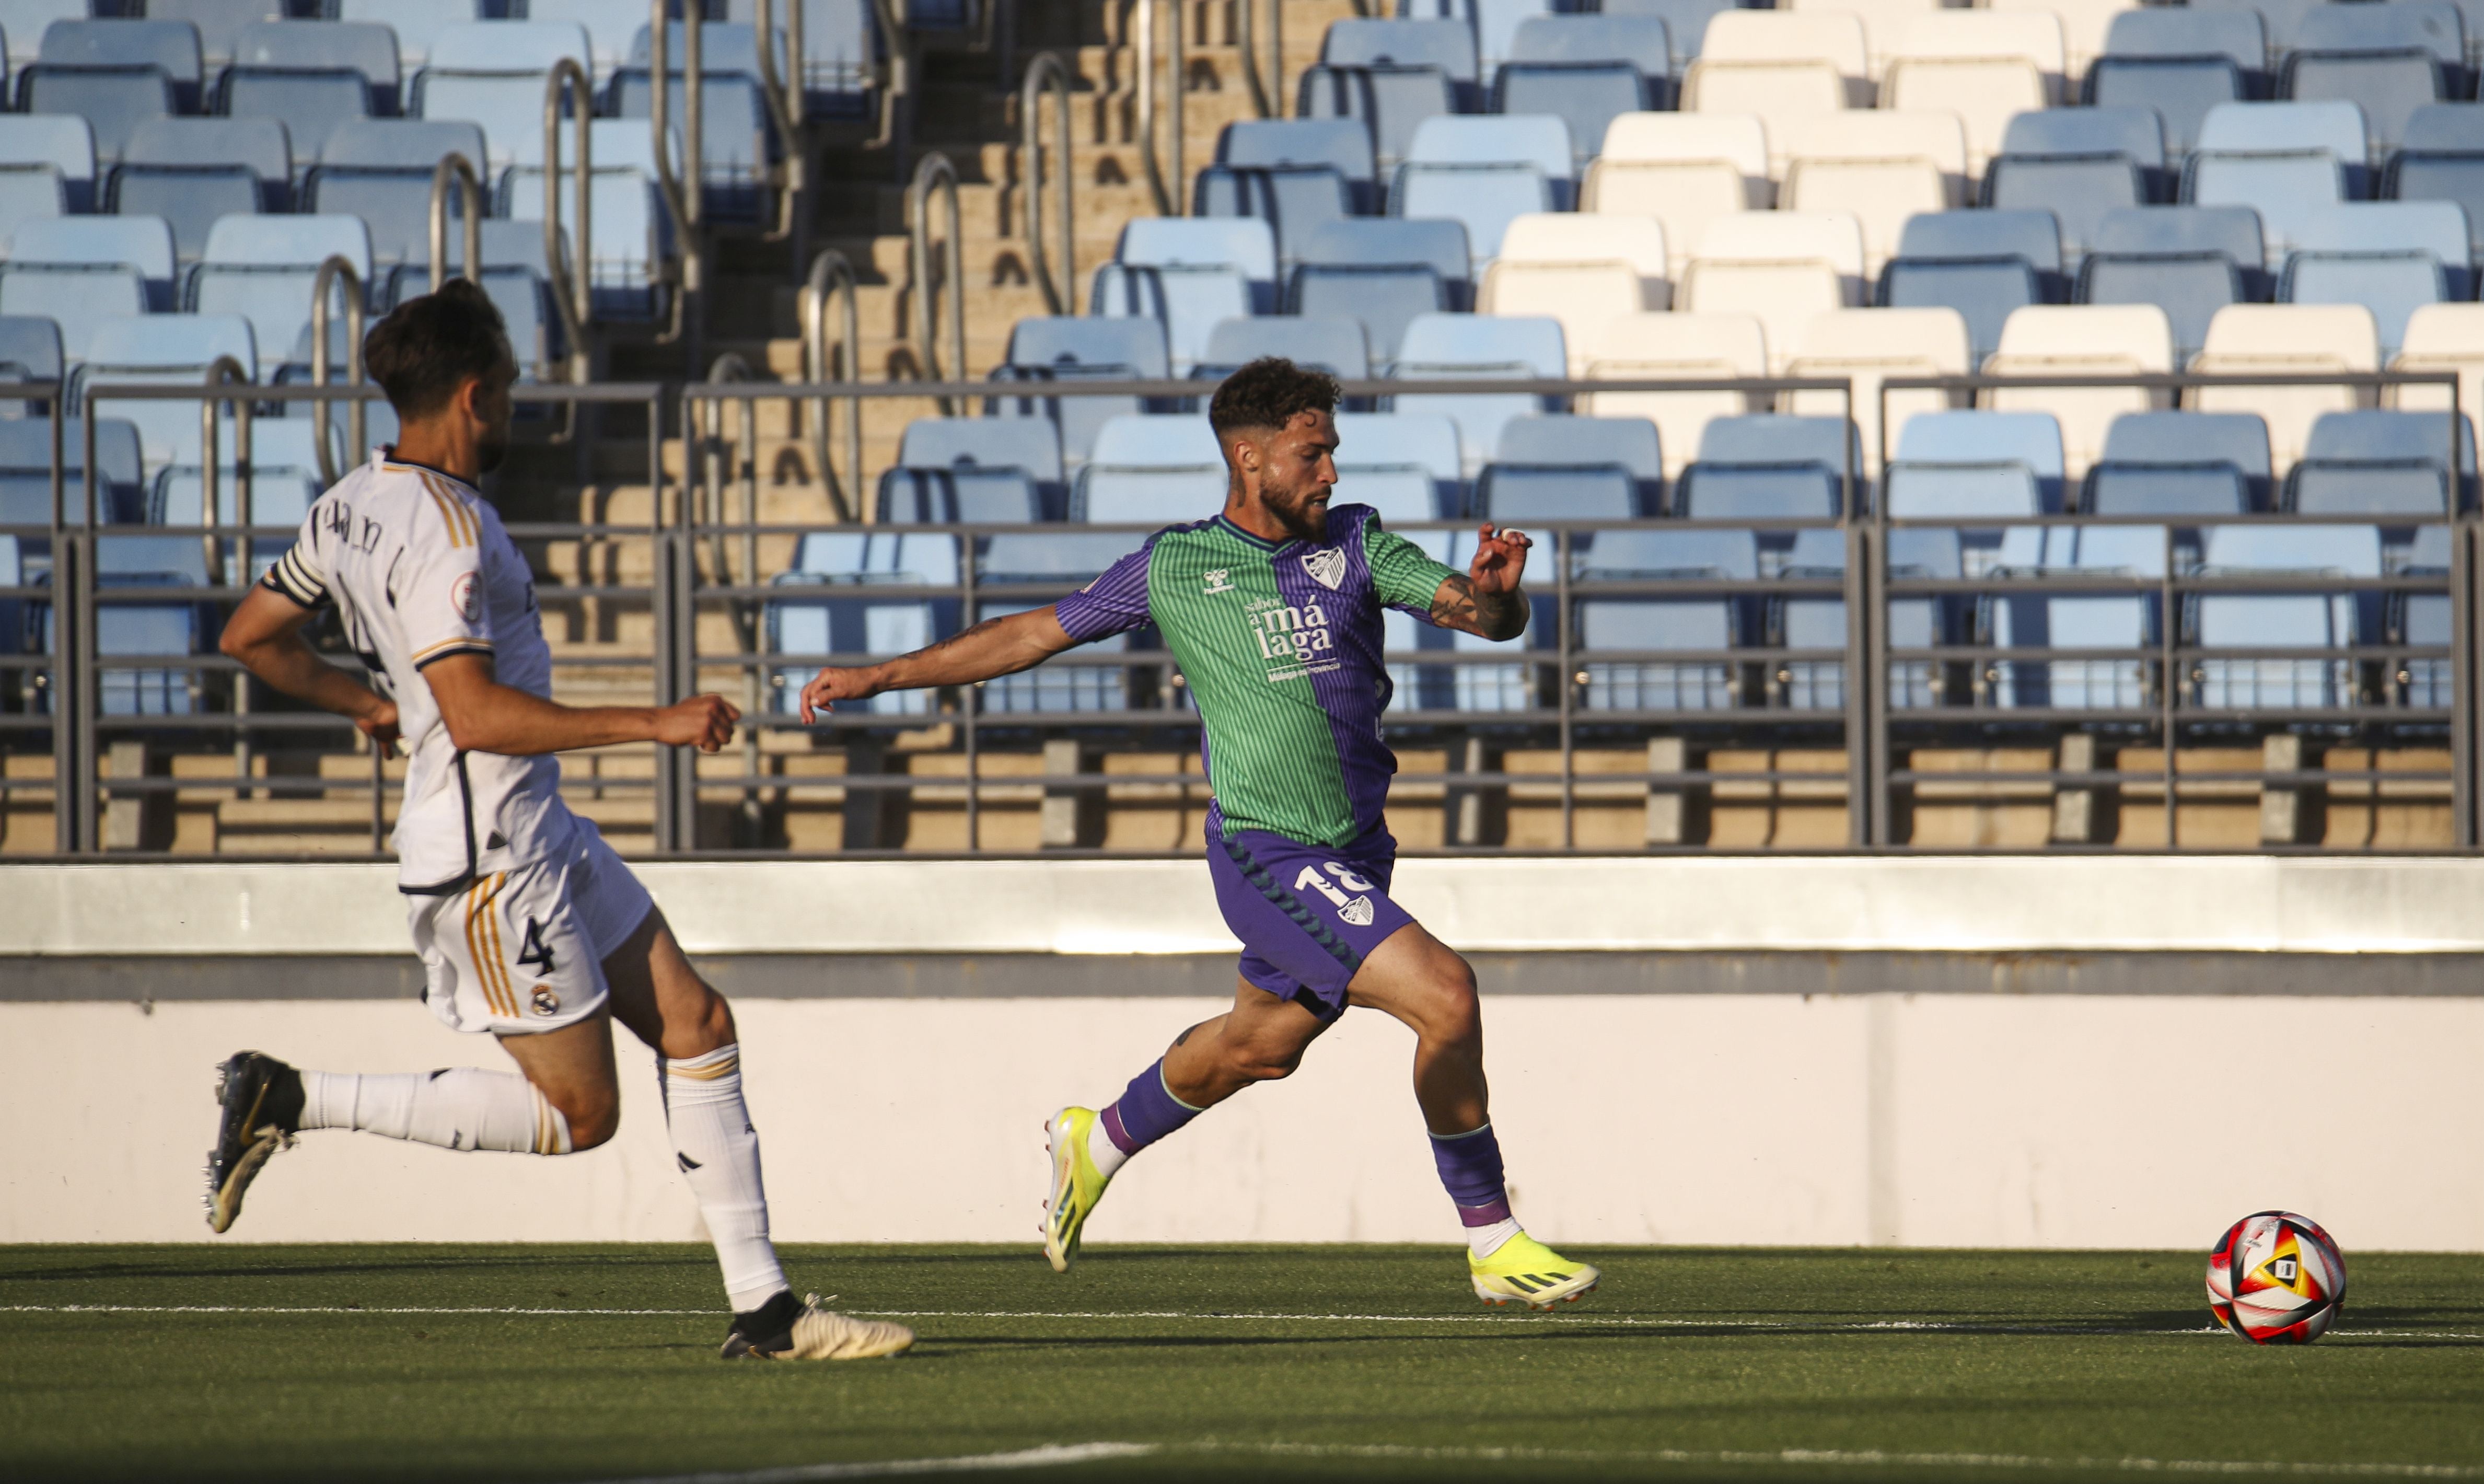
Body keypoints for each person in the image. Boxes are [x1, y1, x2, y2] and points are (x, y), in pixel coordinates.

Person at [207, 279, 910, 1362]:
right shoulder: (449, 530)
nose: (518, 411)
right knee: (579, 1115)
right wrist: (657, 720)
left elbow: (250, 632)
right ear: (475, 395)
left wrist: (364, 704)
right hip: (493, 862)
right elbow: (480, 715)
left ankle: (768, 1312)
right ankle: (292, 1095)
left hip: (538, 833)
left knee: (699, 1024)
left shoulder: (343, 500)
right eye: (514, 392)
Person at [799, 357, 1599, 1308]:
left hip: (1355, 850)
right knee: (1446, 996)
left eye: (1333, 452)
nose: (1330, 473)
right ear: (1248, 457)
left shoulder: (1356, 545)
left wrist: (1500, 594)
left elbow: (1481, 618)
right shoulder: (1173, 566)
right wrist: (880, 677)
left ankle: (1093, 1138)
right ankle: (1492, 1239)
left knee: (1259, 1046)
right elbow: (1026, 636)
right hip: (1268, 851)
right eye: (1312, 455)